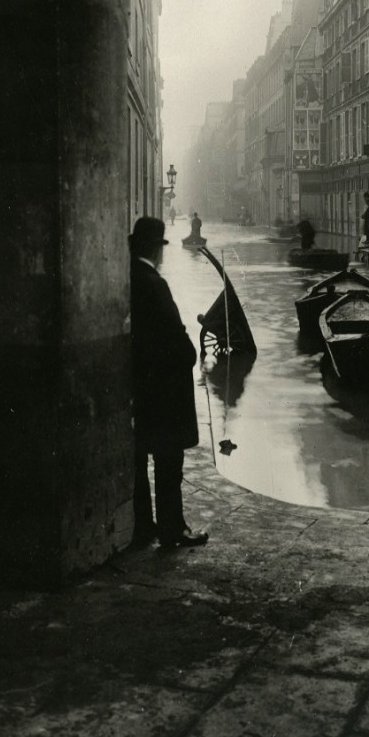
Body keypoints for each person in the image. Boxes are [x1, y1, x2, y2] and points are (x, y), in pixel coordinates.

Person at [129, 216, 209, 550]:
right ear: (154, 249)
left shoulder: (128, 277)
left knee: (138, 458)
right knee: (168, 462)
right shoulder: (154, 283)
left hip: (138, 385)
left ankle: (143, 526)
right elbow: (176, 338)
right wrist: (190, 355)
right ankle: (173, 529)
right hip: (163, 388)